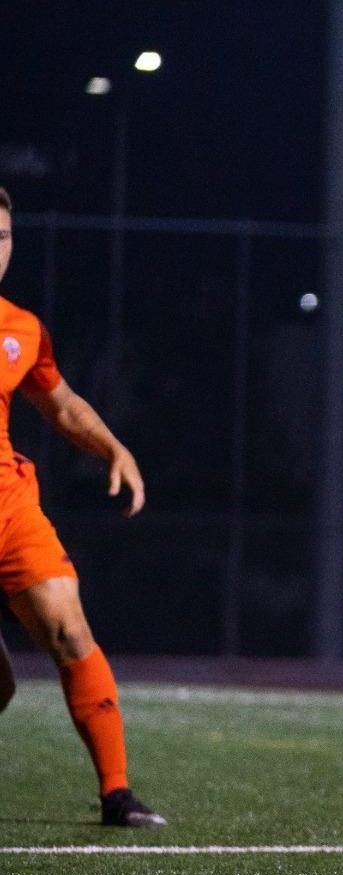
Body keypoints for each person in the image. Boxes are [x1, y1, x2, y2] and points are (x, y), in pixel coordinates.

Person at [0, 186, 166, 827]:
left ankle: (116, 793)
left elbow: (63, 405)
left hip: (11, 509)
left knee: (71, 628)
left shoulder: (20, 327)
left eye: (5, 237)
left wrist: (113, 448)